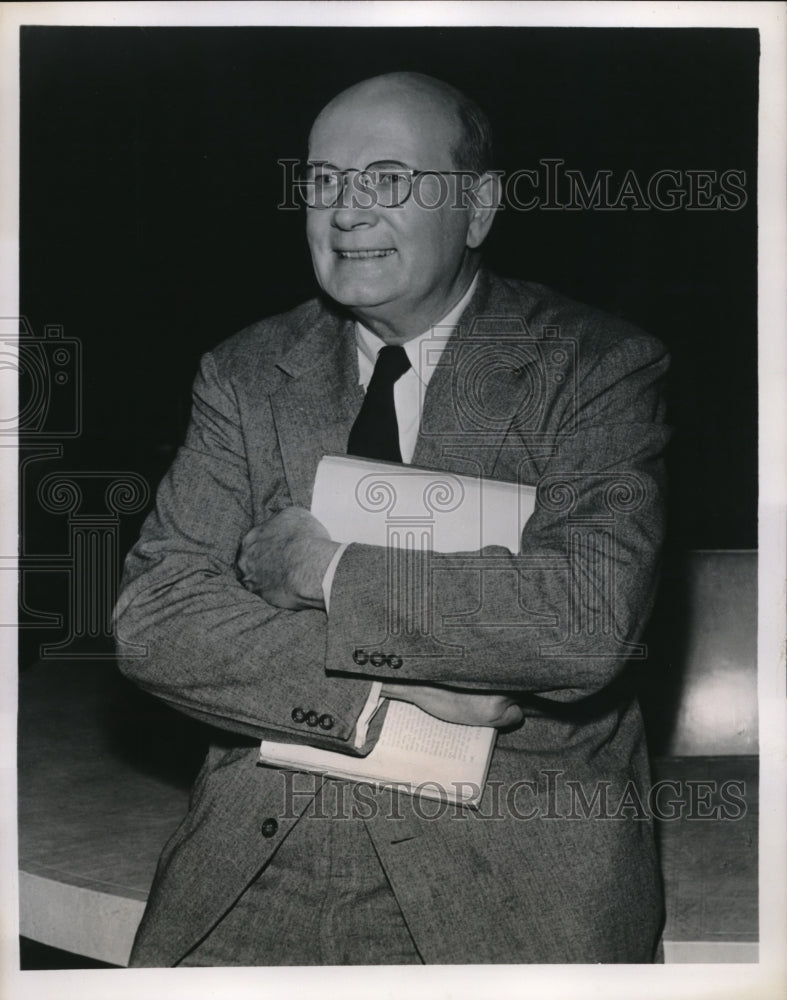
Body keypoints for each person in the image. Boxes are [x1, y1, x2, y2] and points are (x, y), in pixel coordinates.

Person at [115, 71, 670, 965]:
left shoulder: (595, 366)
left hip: (508, 869)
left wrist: (321, 570)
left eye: (387, 180)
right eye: (324, 182)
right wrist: (399, 689)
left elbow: (581, 619)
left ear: (479, 208)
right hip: (266, 842)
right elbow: (156, 621)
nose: (345, 212)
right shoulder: (246, 370)